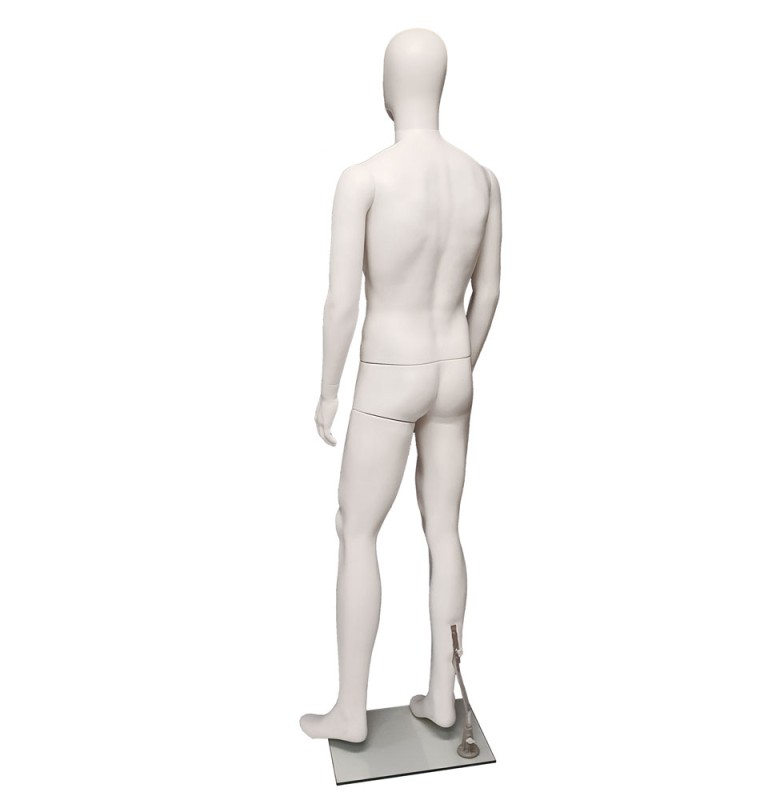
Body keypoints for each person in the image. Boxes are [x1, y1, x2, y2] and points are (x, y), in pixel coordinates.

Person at [300, 28, 502, 743]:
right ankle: (444, 699)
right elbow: (488, 293)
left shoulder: (365, 179)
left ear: (389, 88)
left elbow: (341, 303)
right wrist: (461, 365)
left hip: (391, 371)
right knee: (444, 530)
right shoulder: (483, 180)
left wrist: (328, 390)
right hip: (453, 370)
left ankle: (351, 710)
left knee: (356, 528)